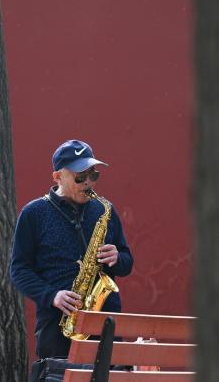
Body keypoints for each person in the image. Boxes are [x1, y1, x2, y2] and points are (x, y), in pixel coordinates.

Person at [10, 139, 134, 358]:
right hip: (59, 325)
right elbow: (19, 270)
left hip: (105, 320)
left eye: (93, 175)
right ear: (57, 177)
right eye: (80, 177)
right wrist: (52, 295)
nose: (88, 183)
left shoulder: (104, 209)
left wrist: (118, 257)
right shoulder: (34, 213)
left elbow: (126, 263)